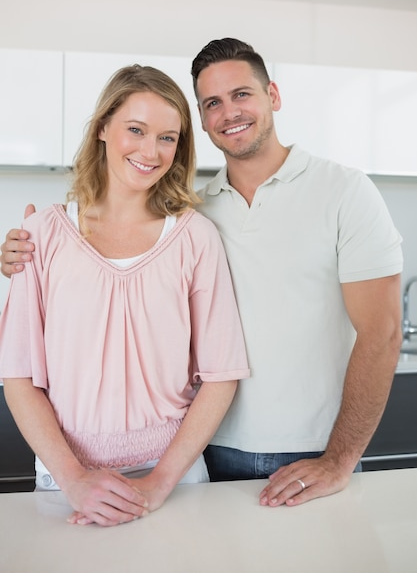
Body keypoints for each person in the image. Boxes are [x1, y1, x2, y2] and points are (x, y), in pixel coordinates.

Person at [1, 39, 403, 509]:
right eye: (212, 102)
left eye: (242, 94)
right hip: (206, 451)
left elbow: (383, 332)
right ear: (103, 128)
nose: (229, 111)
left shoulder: (336, 193)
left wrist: (339, 458)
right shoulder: (197, 209)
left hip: (301, 452)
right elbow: (24, 367)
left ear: (273, 94)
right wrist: (20, 256)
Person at [0, 63, 249, 527]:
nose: (150, 151)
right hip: (65, 483)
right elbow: (18, 378)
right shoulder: (41, 235)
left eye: (167, 137)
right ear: (101, 129)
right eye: (135, 129)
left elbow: (221, 377)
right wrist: (74, 479)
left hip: (174, 480)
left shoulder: (197, 238)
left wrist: (158, 483)